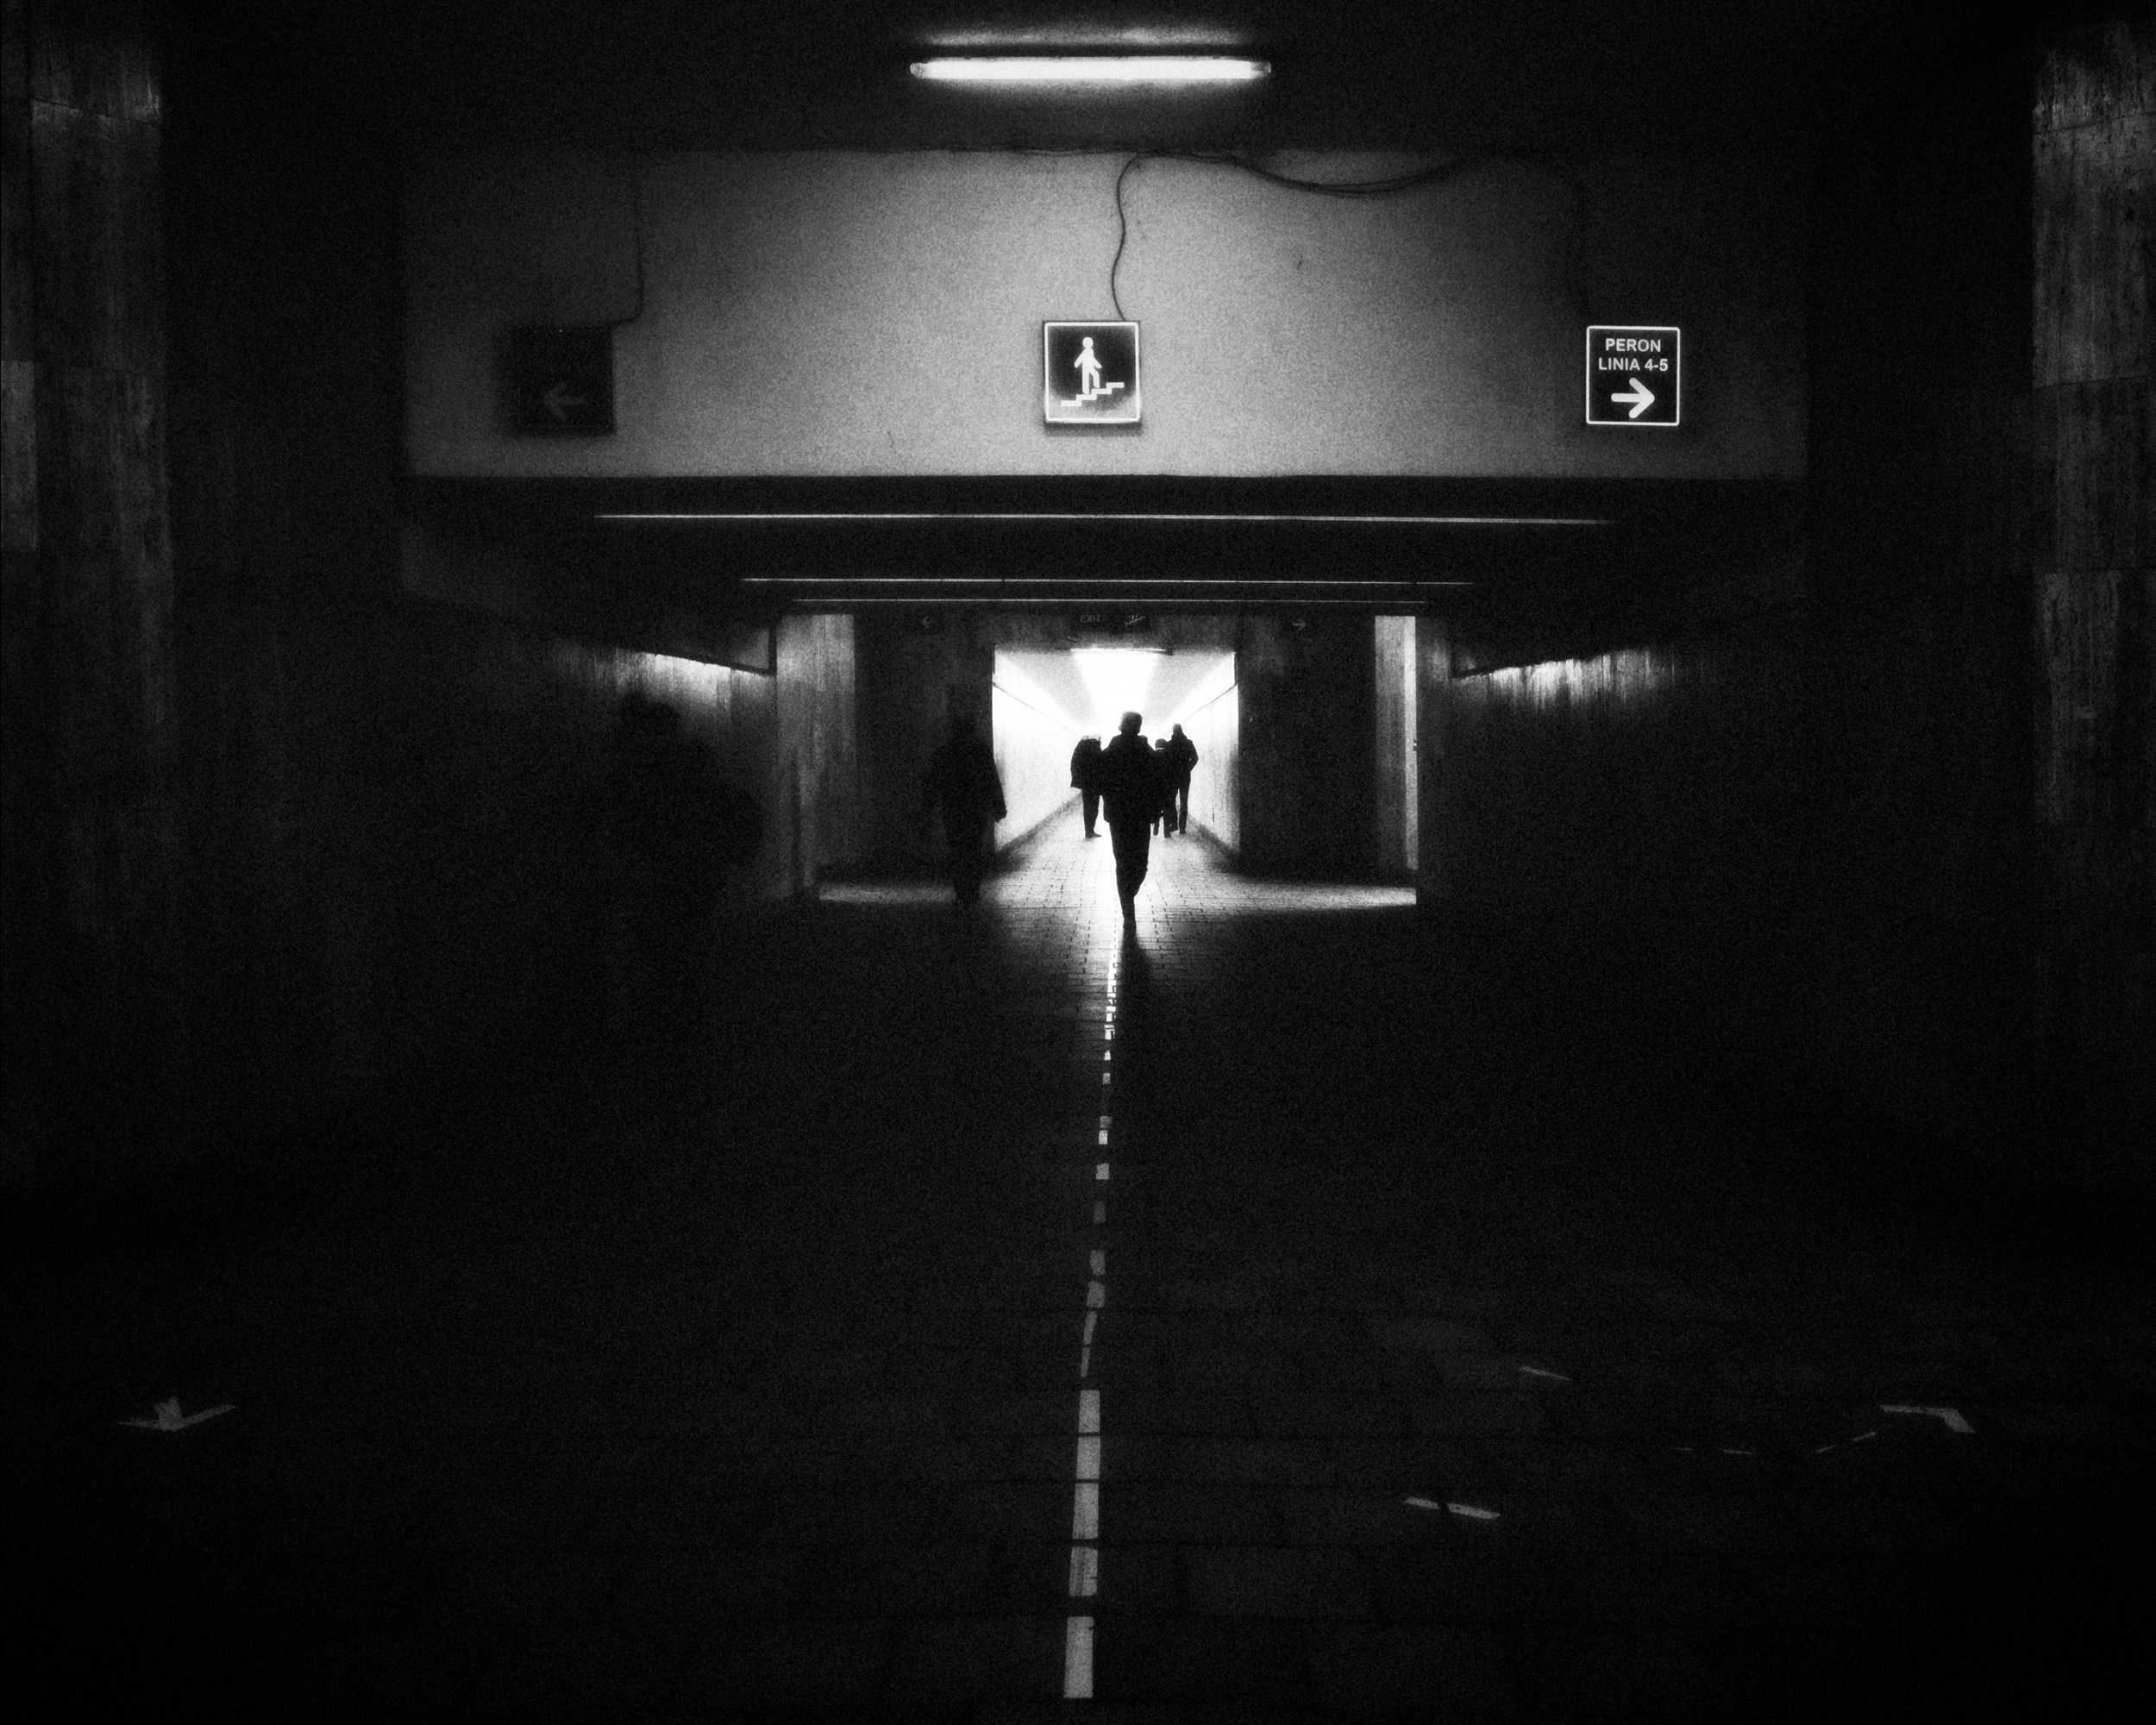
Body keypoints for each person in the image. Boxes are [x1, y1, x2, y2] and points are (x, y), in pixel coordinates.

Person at [921, 711, 1006, 906]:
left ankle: (961, 891)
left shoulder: (944, 752)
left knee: (957, 850)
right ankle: (972, 891)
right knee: (974, 849)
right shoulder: (981, 751)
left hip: (952, 809)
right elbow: (991, 780)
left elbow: (932, 783)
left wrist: (927, 809)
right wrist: (998, 806)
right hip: (976, 809)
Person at [1096, 712, 1164, 923]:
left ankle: (1127, 902)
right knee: (1140, 863)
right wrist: (1156, 810)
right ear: (1138, 727)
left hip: (1118, 816)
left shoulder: (1109, 753)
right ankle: (1129, 906)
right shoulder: (1147, 752)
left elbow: (1100, 782)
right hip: (1140, 815)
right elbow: (1158, 783)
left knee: (1122, 861)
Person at [1165, 723, 1199, 835]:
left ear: (1173, 731)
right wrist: (1188, 768)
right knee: (1184, 802)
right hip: (1185, 776)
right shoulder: (1188, 743)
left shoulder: (1169, 745)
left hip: (1172, 776)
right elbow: (1195, 758)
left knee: (1171, 800)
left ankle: (1174, 824)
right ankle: (1182, 827)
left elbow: (1166, 761)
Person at [1069, 734, 1104, 837]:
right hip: (1095, 783)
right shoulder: (1096, 748)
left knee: (1087, 806)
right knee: (1094, 807)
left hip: (1085, 783)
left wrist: (1078, 779)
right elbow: (1102, 765)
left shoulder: (1080, 748)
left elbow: (1074, 765)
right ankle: (1091, 831)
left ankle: (1088, 831)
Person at [1150, 737, 1175, 834]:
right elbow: (1173, 772)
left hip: (1156, 788)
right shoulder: (1170, 756)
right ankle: (1166, 831)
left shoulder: (1152, 756)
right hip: (1167, 787)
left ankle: (1156, 827)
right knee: (1167, 809)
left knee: (1157, 808)